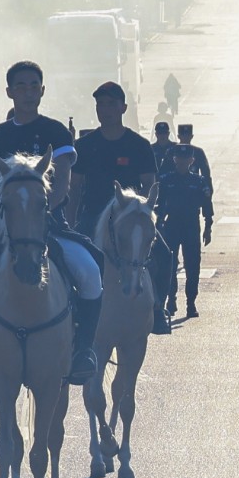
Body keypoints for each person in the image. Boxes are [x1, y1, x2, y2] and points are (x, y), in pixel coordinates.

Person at [0, 61, 105, 385]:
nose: (27, 91)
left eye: (33, 85)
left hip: (50, 225)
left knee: (90, 272)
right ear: (9, 92)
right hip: (4, 230)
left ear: (42, 90)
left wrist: (45, 213)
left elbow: (62, 180)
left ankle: (83, 352)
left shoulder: (56, 132)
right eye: (20, 86)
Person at [73, 80, 169, 335]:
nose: (105, 110)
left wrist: (148, 216)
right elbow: (75, 188)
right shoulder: (84, 145)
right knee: (70, 259)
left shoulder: (138, 145)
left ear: (124, 108)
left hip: (132, 217)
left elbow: (150, 184)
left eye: (111, 104)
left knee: (165, 256)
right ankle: (74, 312)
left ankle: (158, 309)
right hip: (93, 217)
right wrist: (70, 224)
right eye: (100, 105)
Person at [156, 134, 211, 319]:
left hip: (191, 226)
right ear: (174, 160)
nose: (182, 162)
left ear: (191, 161)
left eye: (186, 159)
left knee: (192, 266)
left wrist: (209, 226)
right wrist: (158, 224)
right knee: (169, 265)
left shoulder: (198, 181)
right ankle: (171, 299)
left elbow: (207, 205)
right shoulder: (166, 180)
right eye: (179, 159)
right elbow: (160, 204)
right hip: (171, 225)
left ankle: (191, 302)